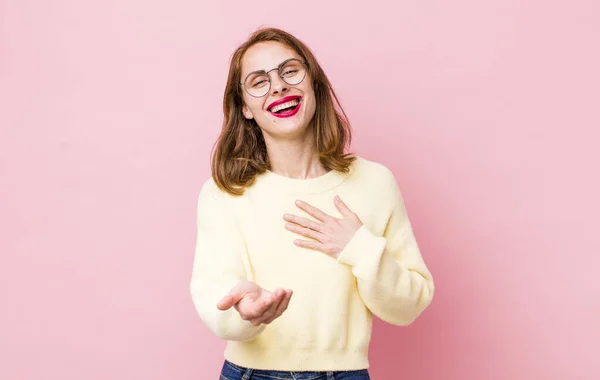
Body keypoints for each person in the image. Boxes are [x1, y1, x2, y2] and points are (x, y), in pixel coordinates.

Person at [189, 27, 434, 380]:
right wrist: (245, 311)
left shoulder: (375, 183)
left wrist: (359, 248)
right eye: (259, 81)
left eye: (290, 71)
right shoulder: (224, 192)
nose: (278, 86)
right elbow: (214, 295)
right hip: (249, 372)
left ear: (314, 83)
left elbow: (409, 306)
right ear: (244, 107)